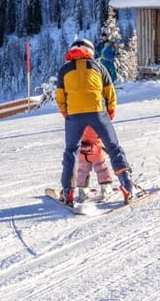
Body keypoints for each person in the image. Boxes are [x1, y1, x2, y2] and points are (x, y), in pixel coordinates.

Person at [55, 38, 135, 206]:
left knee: (71, 151)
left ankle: (68, 192)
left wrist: (68, 115)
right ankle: (127, 186)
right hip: (98, 112)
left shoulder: (64, 70)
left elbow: (60, 98)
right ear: (90, 51)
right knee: (113, 148)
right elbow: (110, 94)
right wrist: (108, 116)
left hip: (74, 115)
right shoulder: (99, 67)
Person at [74, 125, 114, 202]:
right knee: (101, 170)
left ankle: (83, 192)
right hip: (96, 152)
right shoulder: (97, 122)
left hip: (83, 151)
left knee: (82, 171)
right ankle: (106, 190)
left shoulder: (80, 122)